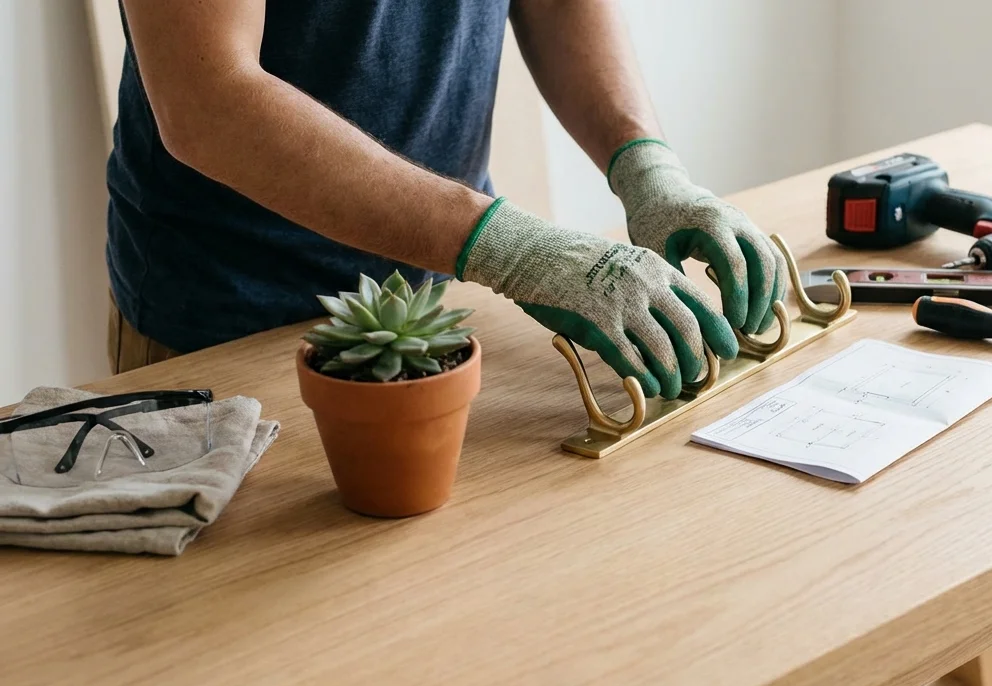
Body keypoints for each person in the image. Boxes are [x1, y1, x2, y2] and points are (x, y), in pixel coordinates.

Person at [108, 0, 785, 400]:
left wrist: (646, 165)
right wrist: (513, 249)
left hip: (449, 292)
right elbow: (208, 101)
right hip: (230, 319)